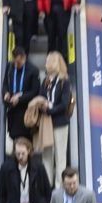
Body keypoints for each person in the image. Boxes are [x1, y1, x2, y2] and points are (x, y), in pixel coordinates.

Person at [38, 51, 73, 186]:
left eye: (49, 61)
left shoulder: (64, 82)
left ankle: (59, 185)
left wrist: (51, 109)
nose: (46, 64)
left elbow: (64, 104)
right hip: (47, 123)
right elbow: (40, 95)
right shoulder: (46, 80)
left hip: (60, 122)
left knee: (60, 156)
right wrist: (42, 105)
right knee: (46, 155)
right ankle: (47, 185)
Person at [2, 46, 41, 150]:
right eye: (14, 62)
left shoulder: (33, 70)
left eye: (18, 63)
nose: (16, 65)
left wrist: (20, 97)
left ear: (24, 58)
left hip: (25, 112)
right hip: (12, 111)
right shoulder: (10, 67)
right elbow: (5, 83)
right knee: (14, 138)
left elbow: (35, 91)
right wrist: (5, 93)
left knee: (25, 140)